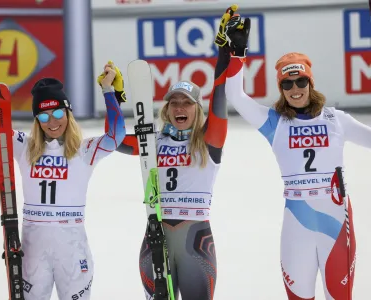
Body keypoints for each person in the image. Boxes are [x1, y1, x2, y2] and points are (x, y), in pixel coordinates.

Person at [222, 9, 371, 299]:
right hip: (297, 223)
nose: (294, 89)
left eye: (300, 81)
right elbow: (236, 97)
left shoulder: (336, 120)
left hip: (336, 219)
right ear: (281, 88)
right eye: (286, 84)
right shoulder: (274, 123)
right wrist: (237, 53)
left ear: (310, 83)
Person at [105, 6, 239, 300]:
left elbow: (221, 94)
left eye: (187, 103)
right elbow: (113, 140)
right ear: (166, 108)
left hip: (195, 241)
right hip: (157, 235)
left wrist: (224, 53)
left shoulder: (209, 140)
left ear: (197, 109)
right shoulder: (152, 141)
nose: (180, 108)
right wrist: (111, 96)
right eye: (174, 102)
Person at [0, 62, 126, 300]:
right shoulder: (24, 145)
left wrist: (109, 91)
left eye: (57, 113)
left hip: (72, 249)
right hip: (33, 248)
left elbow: (117, 135)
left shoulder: (84, 150)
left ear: (68, 112)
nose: (52, 121)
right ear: (36, 119)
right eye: (43, 115)